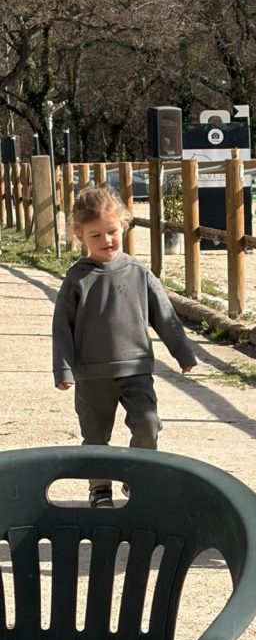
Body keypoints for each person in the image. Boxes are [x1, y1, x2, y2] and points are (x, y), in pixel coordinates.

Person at [52, 186, 197, 507]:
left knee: (148, 425)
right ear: (80, 236)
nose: (106, 240)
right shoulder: (77, 279)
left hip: (137, 370)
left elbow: (165, 315)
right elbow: (62, 328)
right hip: (92, 378)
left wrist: (183, 352)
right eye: (96, 235)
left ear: (124, 227)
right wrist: (63, 369)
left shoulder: (138, 272)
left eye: (112, 231)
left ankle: (139, 477)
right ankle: (99, 487)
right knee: (95, 437)